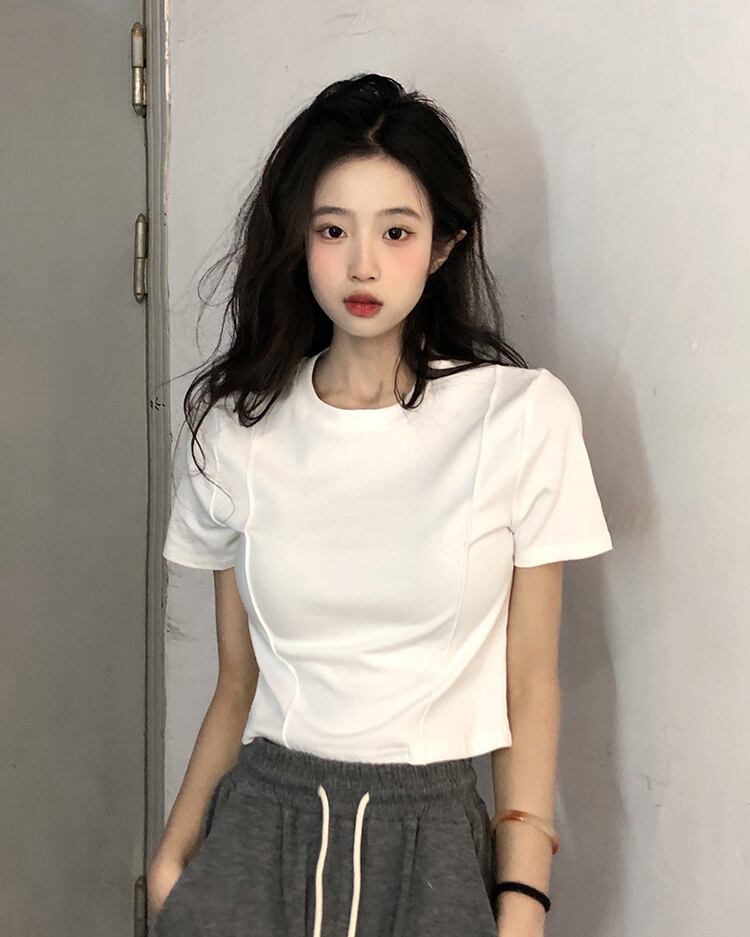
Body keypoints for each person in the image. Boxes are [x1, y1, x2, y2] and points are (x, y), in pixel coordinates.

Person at [148, 73, 613, 937]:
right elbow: (237, 681)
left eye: (396, 231)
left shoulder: (520, 418)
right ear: (299, 239)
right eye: (333, 229)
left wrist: (523, 903)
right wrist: (169, 867)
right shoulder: (237, 431)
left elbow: (530, 685)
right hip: (255, 839)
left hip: (431, 845)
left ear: (441, 246)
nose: (362, 263)